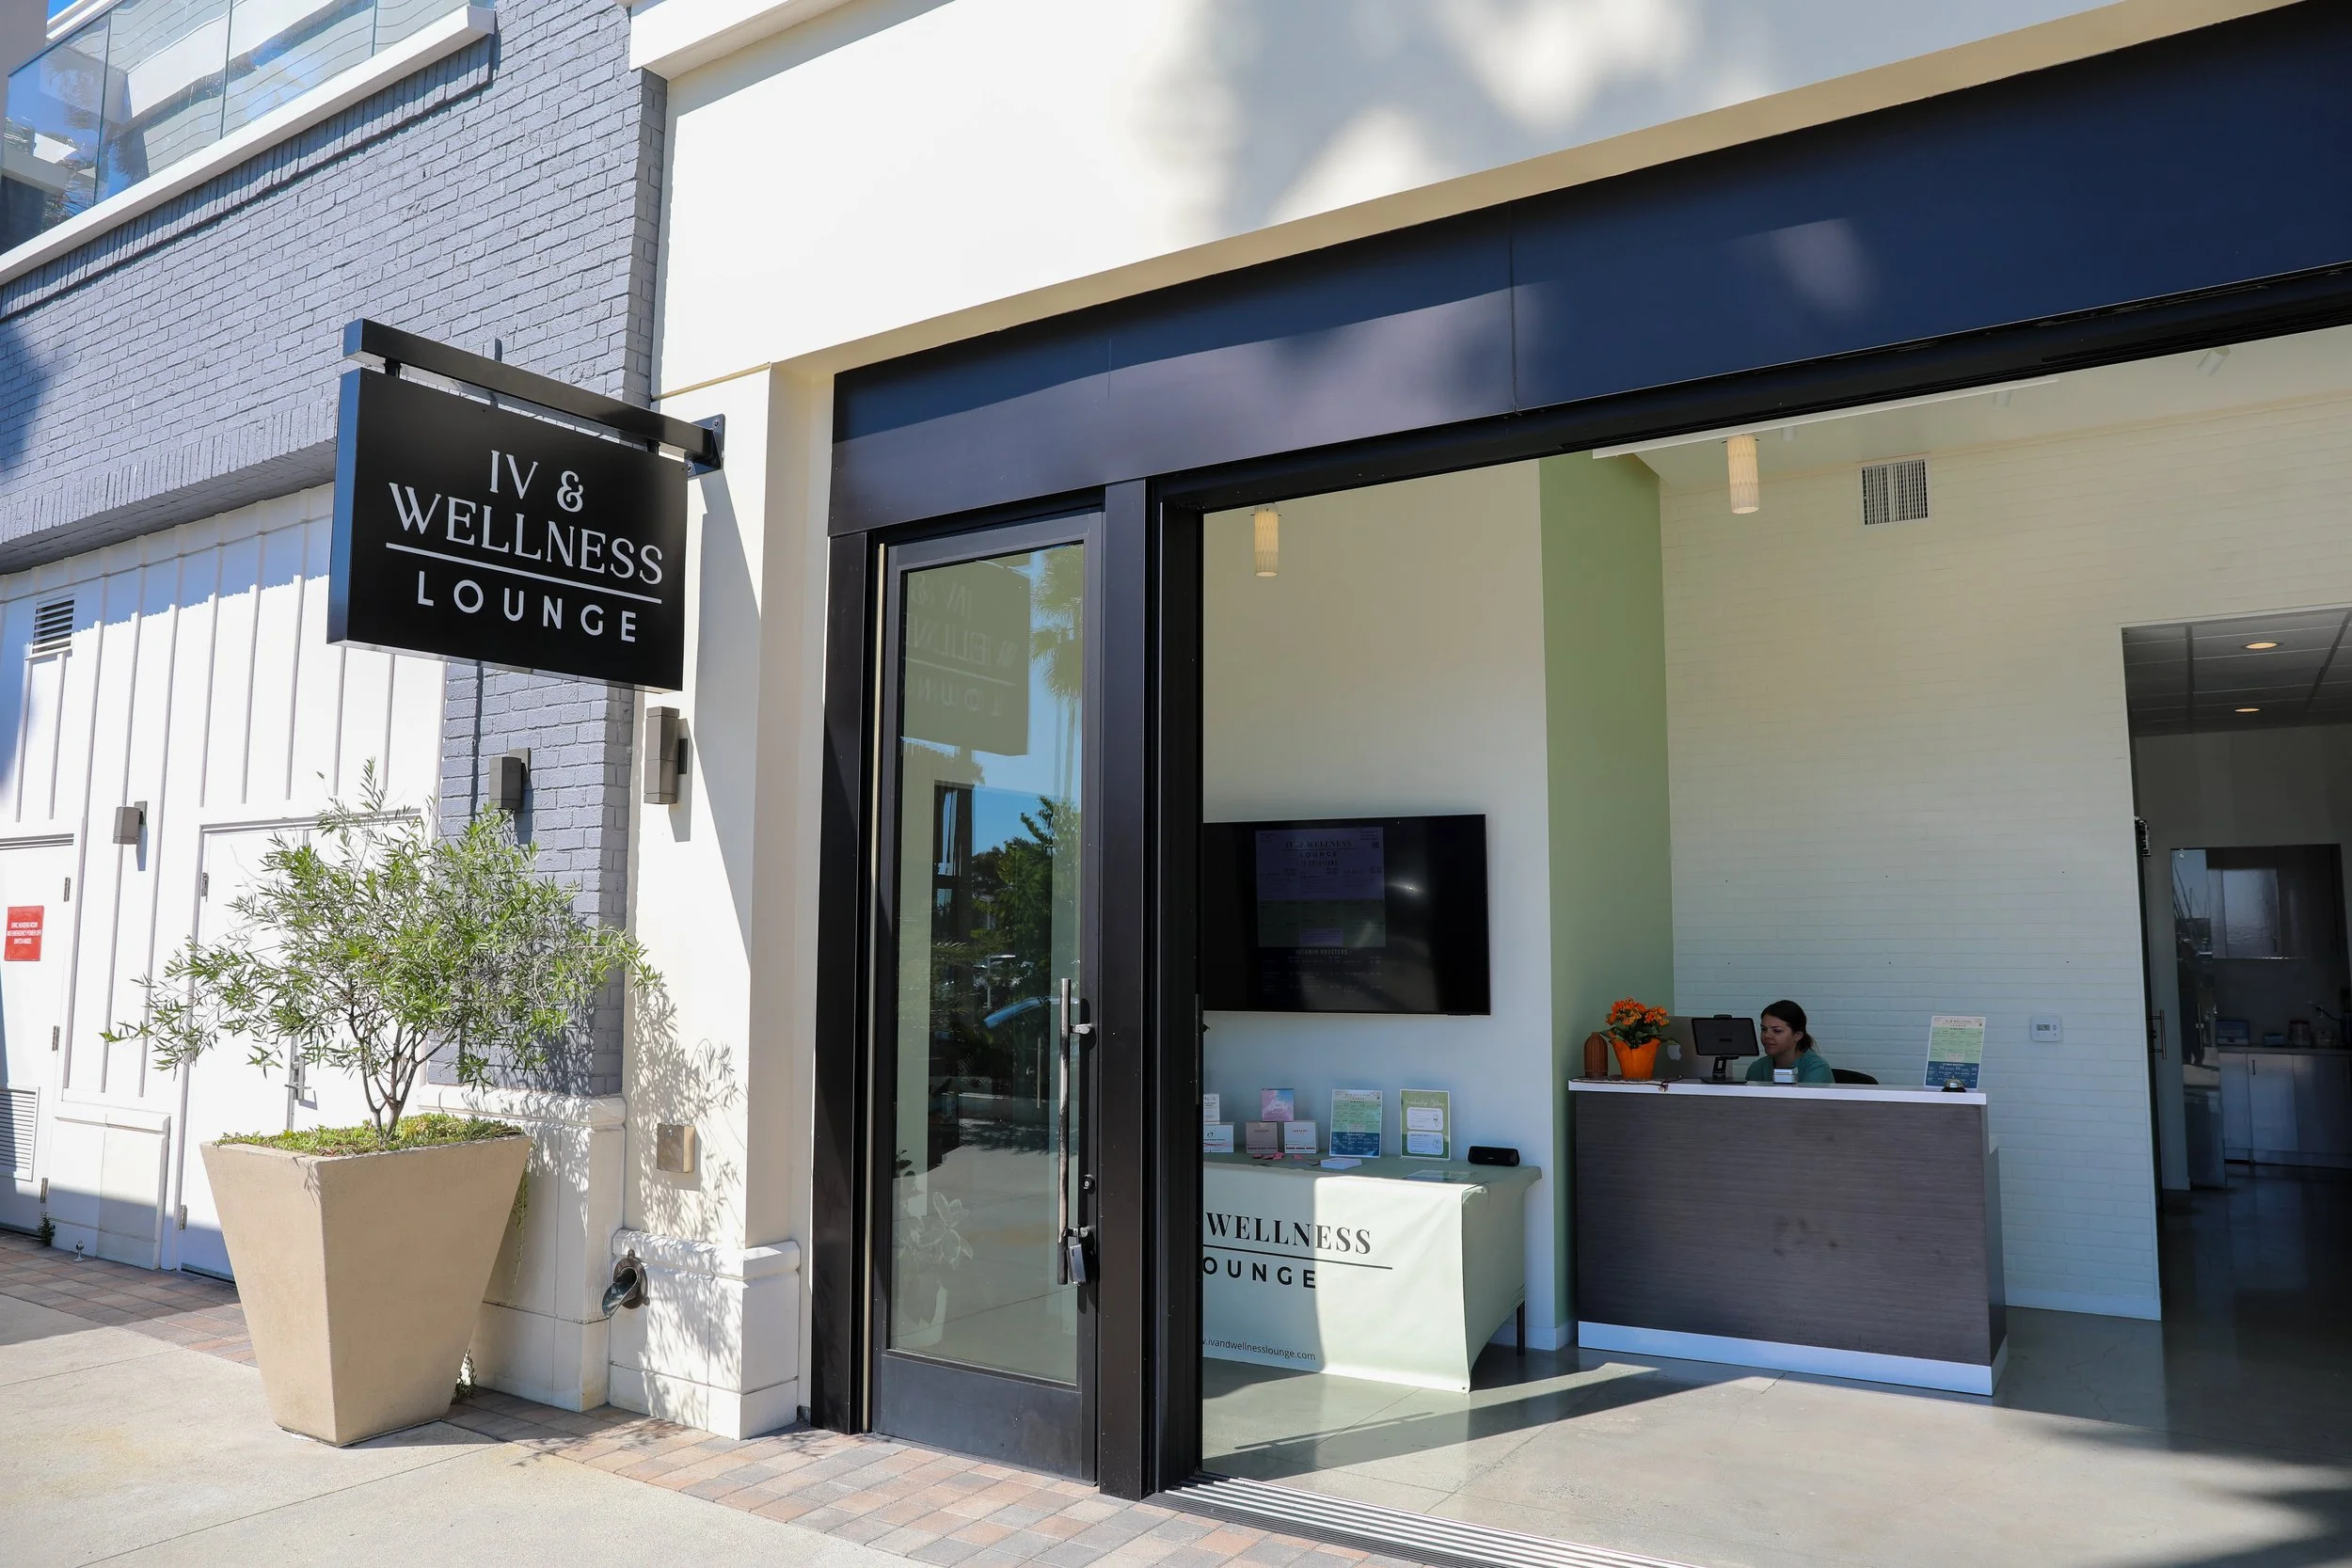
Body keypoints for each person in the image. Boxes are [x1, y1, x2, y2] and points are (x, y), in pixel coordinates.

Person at [1746, 999, 1835, 1085]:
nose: (1766, 1036)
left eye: (1777, 1031)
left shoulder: (1816, 1068)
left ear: (1797, 1035)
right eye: (1764, 1029)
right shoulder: (1757, 1068)